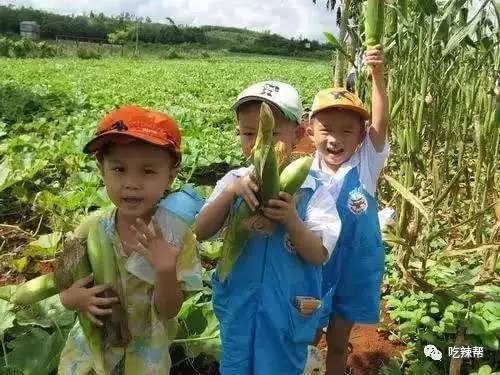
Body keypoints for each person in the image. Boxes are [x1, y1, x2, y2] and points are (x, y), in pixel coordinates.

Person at [195, 81, 341, 374]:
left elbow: (318, 254)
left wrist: (291, 220)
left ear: (298, 134)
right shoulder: (233, 181)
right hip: (238, 309)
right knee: (235, 366)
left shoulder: (315, 189)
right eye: (249, 134)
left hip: (286, 314)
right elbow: (199, 231)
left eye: (271, 134)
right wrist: (230, 193)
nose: (259, 144)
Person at [57, 105, 203, 374]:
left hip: (145, 359)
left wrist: (165, 270)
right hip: (89, 351)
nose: (131, 183)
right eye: (119, 169)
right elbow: (64, 281)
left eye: (147, 172)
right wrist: (71, 299)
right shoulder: (90, 228)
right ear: (102, 169)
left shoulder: (177, 237)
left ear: (170, 176)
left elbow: (169, 311)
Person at [307, 45, 390, 374]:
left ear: (360, 137)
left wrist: (377, 77)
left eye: (347, 131)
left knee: (339, 342)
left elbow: (381, 125)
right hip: (315, 267)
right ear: (309, 131)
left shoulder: (365, 165)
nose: (335, 139)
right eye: (326, 129)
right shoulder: (303, 172)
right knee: (308, 336)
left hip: (355, 268)